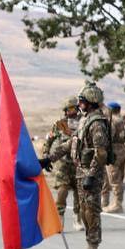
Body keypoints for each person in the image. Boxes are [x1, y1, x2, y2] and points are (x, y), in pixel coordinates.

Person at [68, 84, 111, 249]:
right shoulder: (85, 120)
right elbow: (74, 143)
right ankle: (90, 246)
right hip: (82, 172)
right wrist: (49, 158)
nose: (79, 104)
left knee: (91, 211)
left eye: (82, 101)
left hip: (90, 174)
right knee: (85, 210)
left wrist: (91, 175)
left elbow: (101, 153)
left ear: (91, 102)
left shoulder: (97, 123)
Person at [42, 97, 80, 228]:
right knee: (62, 191)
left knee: (79, 191)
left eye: (74, 108)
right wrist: (46, 156)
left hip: (79, 163)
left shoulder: (83, 122)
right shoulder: (60, 124)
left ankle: (77, 218)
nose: (72, 111)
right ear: (65, 111)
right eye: (69, 109)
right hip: (63, 163)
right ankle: (60, 217)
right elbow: (49, 141)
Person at [102, 101, 125, 213]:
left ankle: (117, 204)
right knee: (118, 178)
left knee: (113, 179)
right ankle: (112, 202)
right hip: (122, 150)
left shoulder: (111, 121)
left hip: (113, 152)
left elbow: (108, 137)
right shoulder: (122, 120)